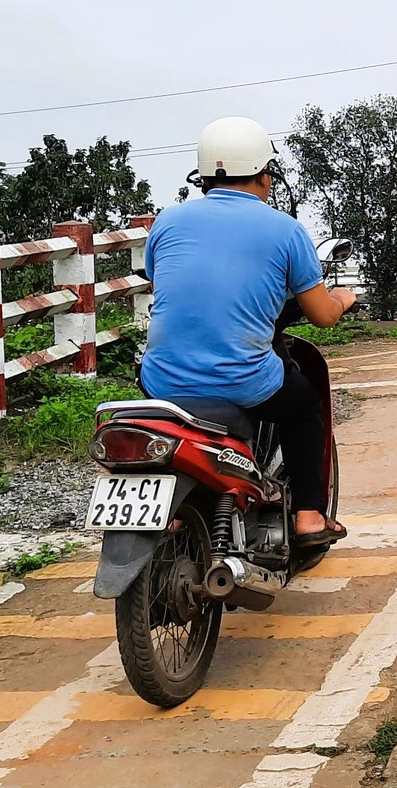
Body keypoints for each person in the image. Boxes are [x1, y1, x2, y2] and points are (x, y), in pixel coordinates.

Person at [139, 116, 357, 547]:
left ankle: (175, 514)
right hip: (244, 382)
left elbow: (162, 280)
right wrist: (345, 297)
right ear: (264, 175)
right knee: (304, 407)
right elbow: (322, 316)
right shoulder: (285, 229)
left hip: (159, 380)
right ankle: (310, 517)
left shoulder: (166, 221)